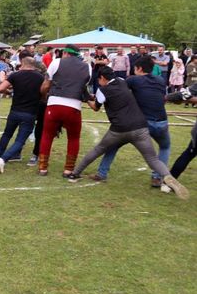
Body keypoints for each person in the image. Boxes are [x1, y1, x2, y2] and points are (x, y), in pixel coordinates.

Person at [67, 67, 189, 200]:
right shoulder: (121, 80)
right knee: (152, 159)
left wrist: (85, 96)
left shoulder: (102, 90)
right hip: (140, 127)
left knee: (99, 149)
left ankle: (75, 173)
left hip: (119, 129)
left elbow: (95, 107)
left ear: (102, 78)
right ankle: (167, 176)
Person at [92, 56, 170, 186]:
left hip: (140, 123)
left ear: (139, 68)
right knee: (165, 147)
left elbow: (117, 90)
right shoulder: (161, 80)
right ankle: (157, 177)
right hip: (162, 121)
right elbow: (164, 98)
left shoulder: (134, 80)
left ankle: (101, 173)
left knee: (113, 144)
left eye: (135, 69)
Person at [38, 44, 91, 176]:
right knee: (73, 138)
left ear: (66, 53)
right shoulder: (87, 67)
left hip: (54, 103)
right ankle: (68, 169)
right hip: (74, 105)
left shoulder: (56, 62)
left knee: (47, 135)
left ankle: (42, 168)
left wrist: (44, 97)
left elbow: (45, 85)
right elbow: (84, 86)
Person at [0, 56, 45, 173]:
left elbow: (0, 88)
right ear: (34, 65)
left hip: (15, 111)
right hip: (30, 113)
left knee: (7, 134)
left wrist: (10, 91)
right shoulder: (40, 77)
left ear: (22, 63)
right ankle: (2, 159)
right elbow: (44, 92)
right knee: (20, 141)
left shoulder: (15, 75)